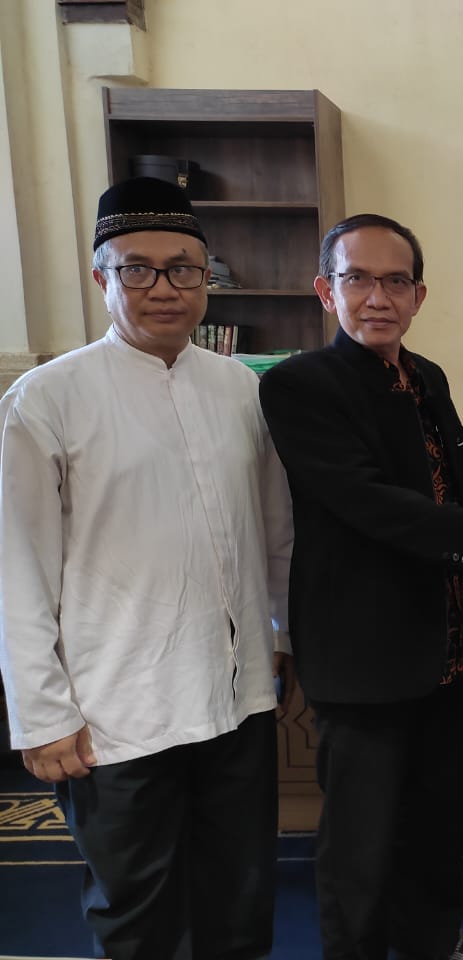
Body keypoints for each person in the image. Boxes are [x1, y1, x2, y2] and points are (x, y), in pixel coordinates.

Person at [258, 213, 463, 960]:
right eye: (358, 279)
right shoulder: (298, 385)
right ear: (326, 291)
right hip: (363, 654)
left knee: (437, 825)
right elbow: (368, 501)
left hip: (446, 644)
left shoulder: (425, 376)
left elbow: (452, 484)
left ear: (418, 295)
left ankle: (432, 945)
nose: (378, 297)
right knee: (362, 844)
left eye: (395, 281)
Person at [0, 177, 294, 959]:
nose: (163, 288)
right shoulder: (46, 399)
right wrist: (42, 713)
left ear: (207, 278)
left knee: (240, 902)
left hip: (236, 699)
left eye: (183, 268)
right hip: (115, 711)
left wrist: (282, 638)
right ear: (102, 276)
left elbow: (274, 533)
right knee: (139, 916)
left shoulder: (240, 389)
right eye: (138, 268)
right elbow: (17, 569)